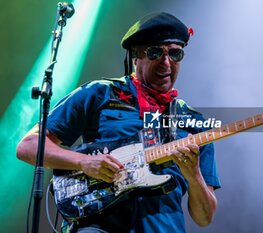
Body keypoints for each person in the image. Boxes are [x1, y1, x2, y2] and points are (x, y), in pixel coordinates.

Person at [16, 12, 221, 233]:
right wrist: (83, 162)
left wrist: (194, 176)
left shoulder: (195, 123)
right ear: (135, 56)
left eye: (175, 53)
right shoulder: (99, 94)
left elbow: (204, 218)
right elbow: (28, 147)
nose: (166, 61)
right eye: (155, 52)